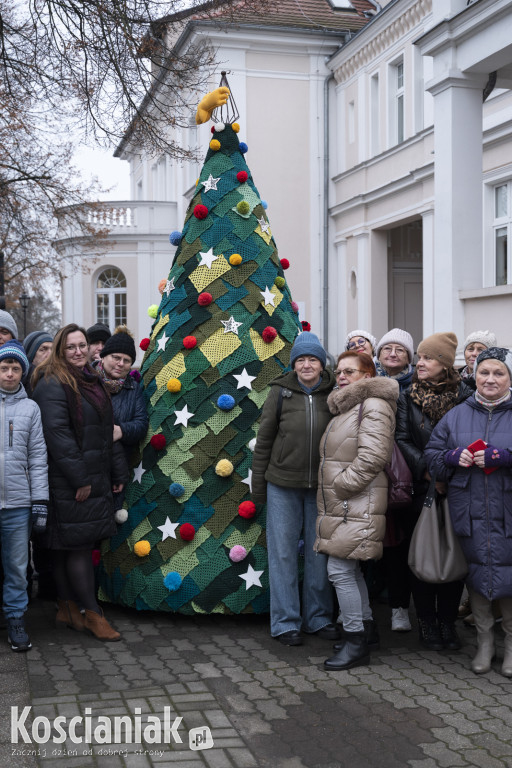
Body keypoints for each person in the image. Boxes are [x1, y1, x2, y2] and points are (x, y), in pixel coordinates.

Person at [32, 323, 128, 641]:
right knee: (77, 547)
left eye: (82, 345)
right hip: (68, 479)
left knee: (65, 546)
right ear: (61, 349)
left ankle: (68, 608)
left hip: (91, 475)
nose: (77, 351)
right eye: (71, 346)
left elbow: (106, 429)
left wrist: (117, 472)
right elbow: (57, 437)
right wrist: (80, 479)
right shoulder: (51, 383)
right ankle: (92, 614)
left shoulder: (91, 380)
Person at [425, 347, 512, 677]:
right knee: (477, 577)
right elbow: (432, 454)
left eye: (498, 373)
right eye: (484, 372)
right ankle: (484, 643)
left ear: (509, 378)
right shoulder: (458, 414)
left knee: (509, 577)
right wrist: (451, 457)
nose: (490, 379)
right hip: (470, 514)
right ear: (474, 375)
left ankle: (510, 648)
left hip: (507, 513)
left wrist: (505, 457)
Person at [252, 332, 338, 646]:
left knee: (319, 555)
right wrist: (258, 486)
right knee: (283, 555)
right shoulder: (280, 391)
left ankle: (318, 618)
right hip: (282, 485)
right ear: (293, 364)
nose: (305, 365)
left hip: (321, 486)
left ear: (321, 363)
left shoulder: (333, 392)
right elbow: (264, 441)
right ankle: (286, 623)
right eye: (300, 360)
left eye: (312, 359)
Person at [316, 351, 397, 670]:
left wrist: (341, 486)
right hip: (346, 504)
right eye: (339, 372)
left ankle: (355, 641)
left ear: (368, 375)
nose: (342, 376)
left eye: (351, 371)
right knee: (349, 569)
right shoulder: (347, 406)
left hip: (355, 502)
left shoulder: (373, 405)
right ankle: (366, 630)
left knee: (339, 571)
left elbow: (374, 456)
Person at [395, 332, 473, 651]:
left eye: (428, 357)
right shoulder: (407, 395)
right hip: (421, 487)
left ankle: (447, 623)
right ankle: (426, 622)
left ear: (444, 364)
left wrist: (448, 473)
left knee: (455, 556)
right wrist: (428, 470)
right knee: (423, 555)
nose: (420, 362)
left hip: (458, 486)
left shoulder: (466, 395)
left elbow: (469, 439)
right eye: (420, 357)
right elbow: (402, 438)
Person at [0, 341, 48, 651]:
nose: (8, 374)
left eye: (15, 368)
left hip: (17, 504)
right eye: (4, 368)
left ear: (23, 372)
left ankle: (16, 618)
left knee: (17, 567)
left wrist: (39, 501)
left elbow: (38, 457)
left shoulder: (30, 408)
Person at [94, 326, 148, 470]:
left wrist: (122, 430)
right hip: (89, 465)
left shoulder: (133, 388)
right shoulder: (87, 381)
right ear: (104, 356)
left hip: (120, 467)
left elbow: (141, 424)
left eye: (127, 360)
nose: (121, 364)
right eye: (116, 357)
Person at [23, 330, 53, 397]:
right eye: (43, 349)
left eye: (52, 349)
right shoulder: (19, 383)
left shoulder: (62, 379)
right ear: (30, 355)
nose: (50, 355)